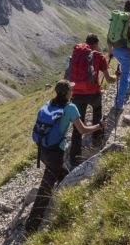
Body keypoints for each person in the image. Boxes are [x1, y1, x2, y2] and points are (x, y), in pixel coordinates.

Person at [25, 79, 101, 235]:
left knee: (65, 177)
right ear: (67, 93)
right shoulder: (70, 107)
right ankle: (31, 228)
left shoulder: (49, 104)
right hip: (55, 155)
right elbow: (83, 130)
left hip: (43, 151)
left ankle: (69, 206)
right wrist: (100, 126)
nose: (73, 91)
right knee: (46, 189)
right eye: (71, 89)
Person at [68, 33, 116, 166]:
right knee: (97, 110)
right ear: (95, 44)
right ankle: (97, 138)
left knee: (78, 125)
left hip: (76, 94)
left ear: (86, 42)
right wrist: (117, 76)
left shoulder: (76, 55)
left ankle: (74, 158)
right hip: (93, 93)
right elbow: (108, 79)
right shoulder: (99, 56)